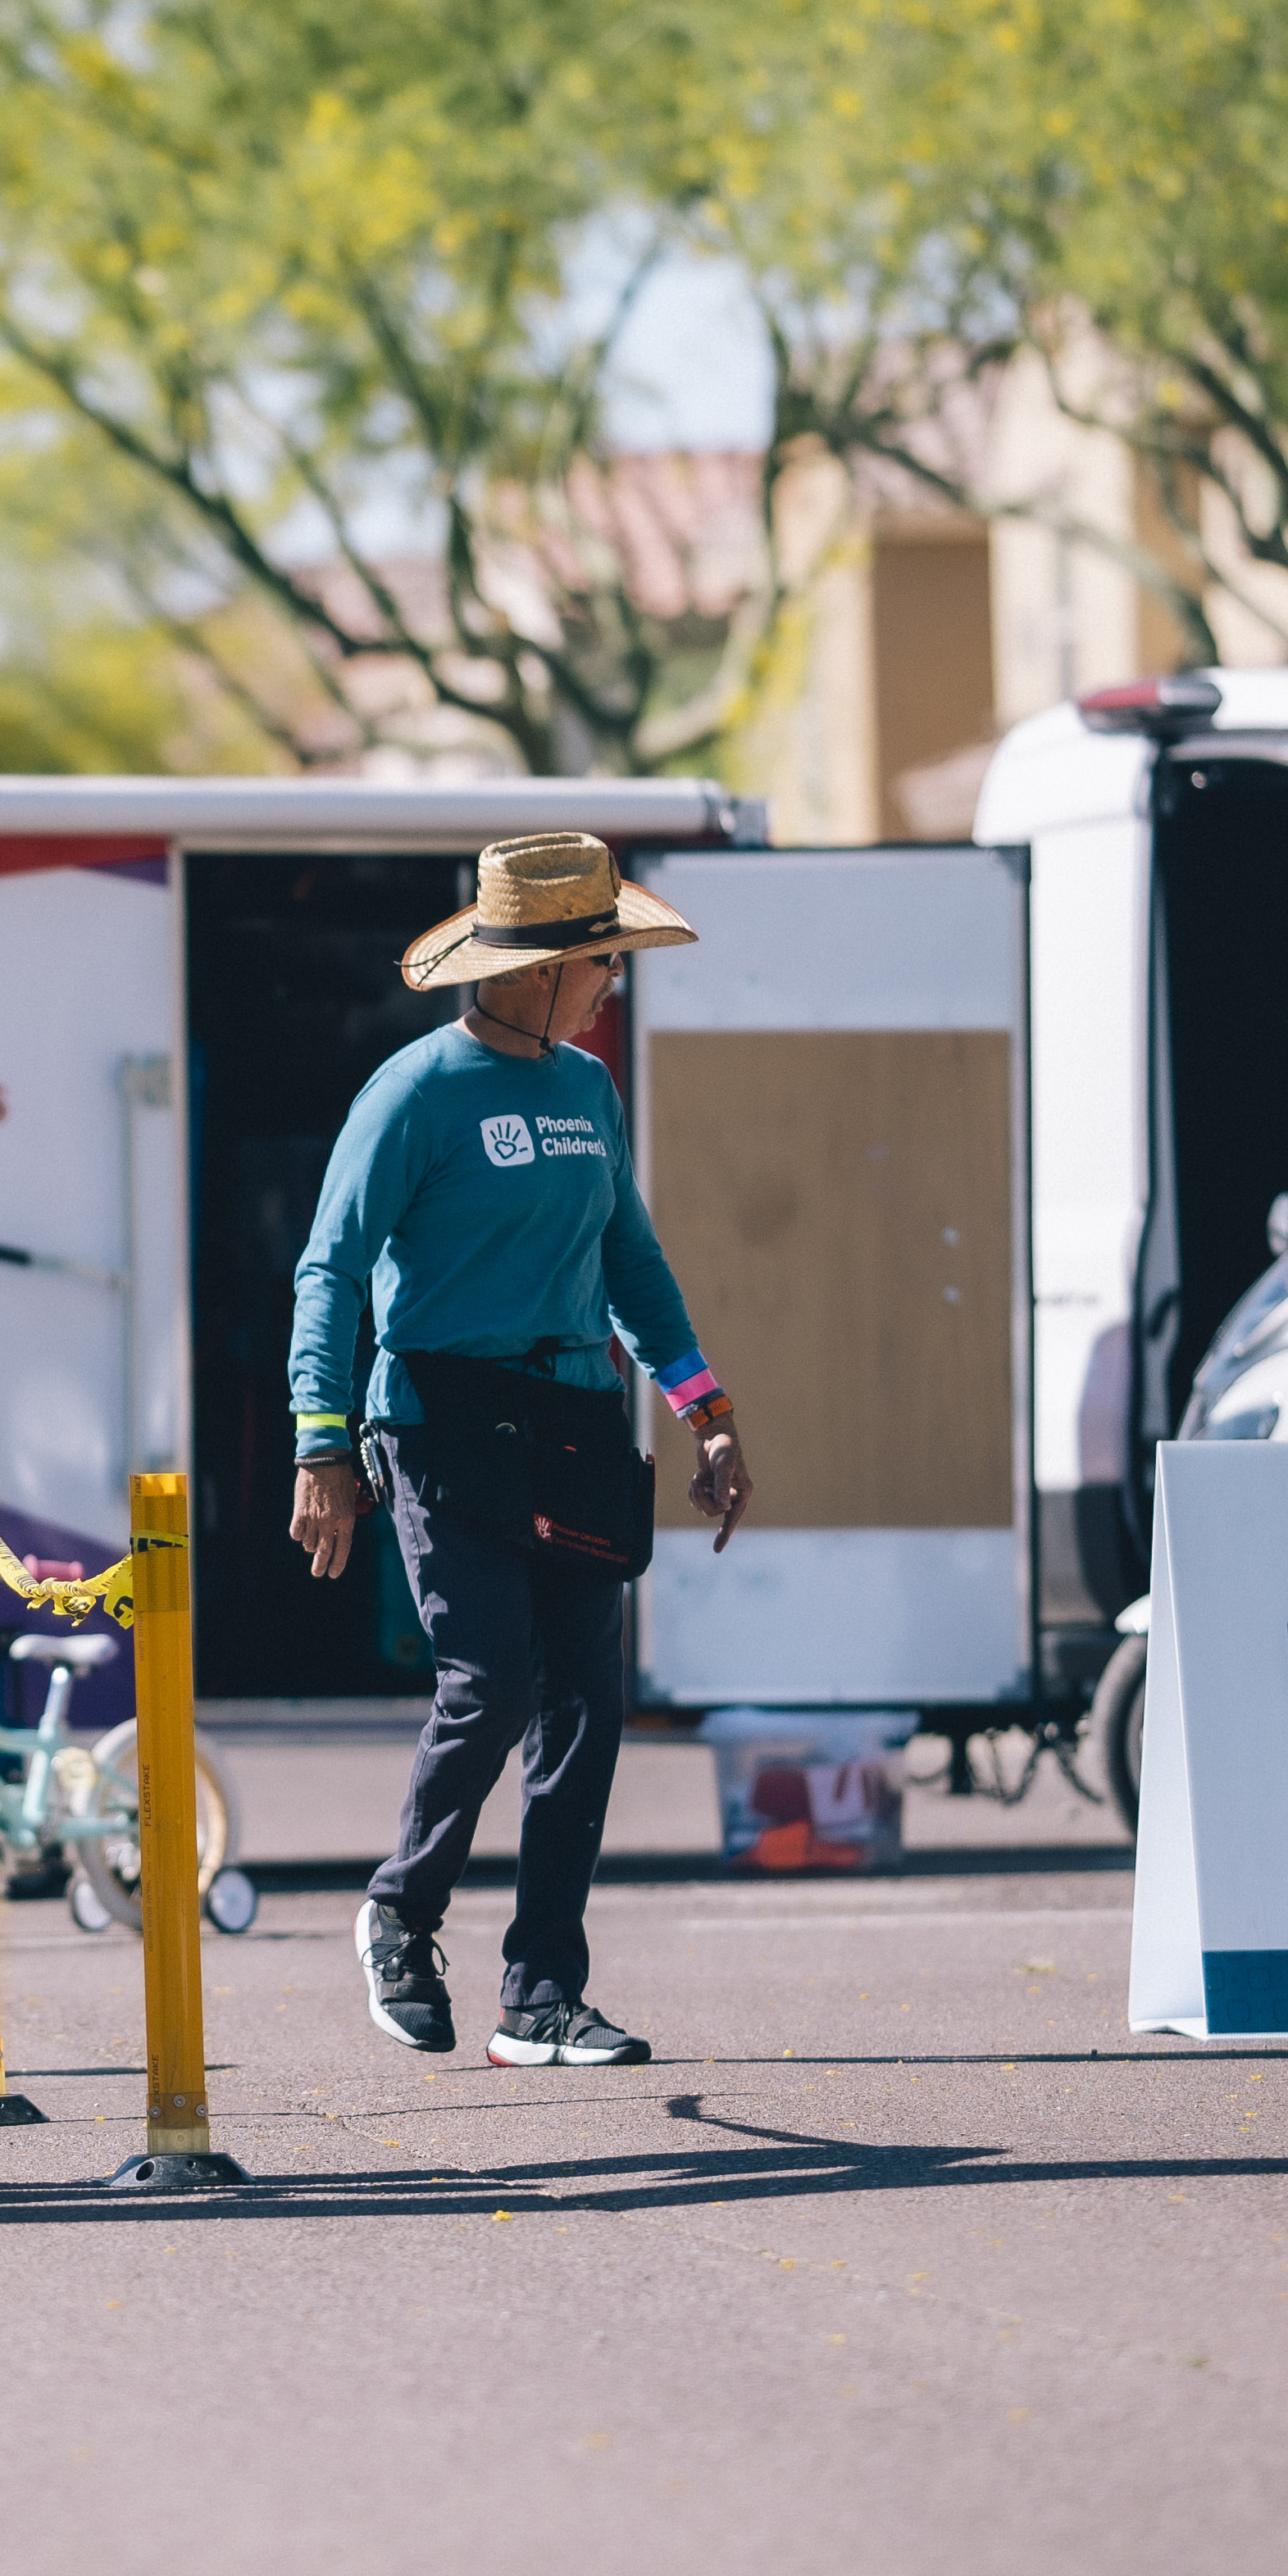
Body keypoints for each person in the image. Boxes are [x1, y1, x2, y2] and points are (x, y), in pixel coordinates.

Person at [289, 835, 754, 2072]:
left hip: (574, 1417)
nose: (616, 983)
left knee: (587, 1708)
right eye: (606, 959)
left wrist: (703, 1406)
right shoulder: (412, 1095)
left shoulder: (588, 1091)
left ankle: (541, 1996)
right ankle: (401, 1910)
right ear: (537, 970)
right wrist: (320, 1440)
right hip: (442, 1419)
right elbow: (330, 1269)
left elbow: (631, 1264)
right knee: (490, 1681)